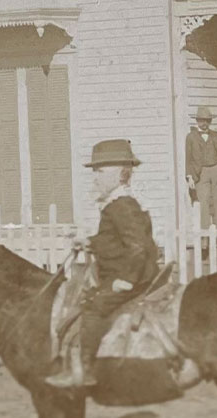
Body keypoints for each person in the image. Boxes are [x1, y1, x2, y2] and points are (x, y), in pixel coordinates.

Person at [47, 139, 161, 389]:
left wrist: (127, 280)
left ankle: (86, 371)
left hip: (132, 275)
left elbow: (138, 246)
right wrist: (89, 242)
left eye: (99, 172)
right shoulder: (117, 204)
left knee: (94, 307)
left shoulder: (122, 205)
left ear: (119, 174)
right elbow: (114, 240)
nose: (95, 178)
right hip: (129, 270)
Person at [185, 105, 217, 228]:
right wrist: (189, 177)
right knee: (203, 203)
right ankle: (204, 237)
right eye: (201, 120)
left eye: (207, 120)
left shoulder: (216, 135)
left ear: (210, 121)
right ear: (197, 121)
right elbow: (188, 158)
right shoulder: (191, 137)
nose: (204, 123)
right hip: (200, 172)